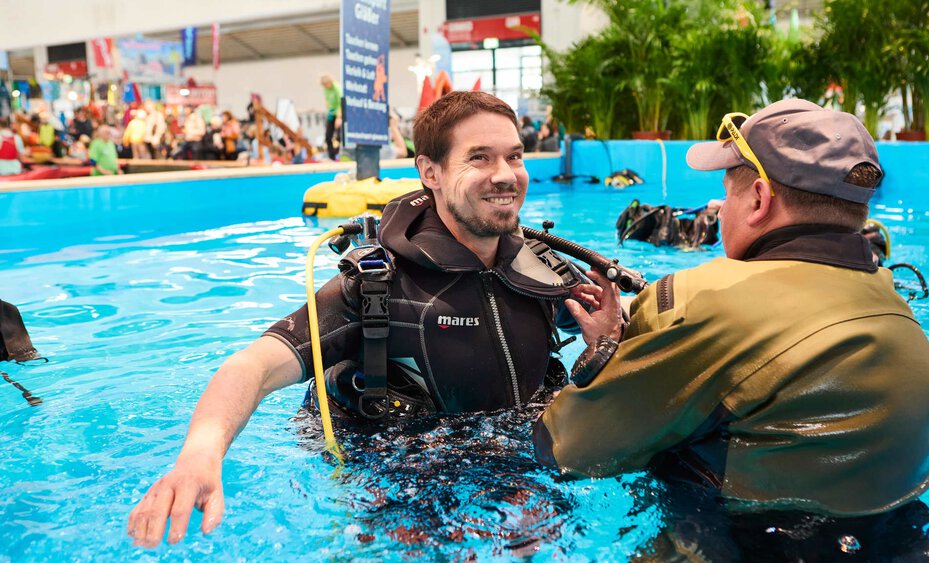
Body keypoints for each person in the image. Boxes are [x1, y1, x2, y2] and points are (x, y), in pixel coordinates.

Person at [127, 91, 586, 548]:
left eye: (515, 156)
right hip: (398, 465)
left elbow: (625, 315)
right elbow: (253, 367)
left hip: (515, 451)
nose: (505, 176)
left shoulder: (541, 266)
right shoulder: (376, 286)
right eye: (480, 158)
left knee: (545, 537)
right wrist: (200, 457)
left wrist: (608, 340)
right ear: (431, 172)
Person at [533, 99, 929, 558]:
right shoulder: (893, 301)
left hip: (740, 542)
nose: (720, 207)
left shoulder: (698, 299)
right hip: (904, 538)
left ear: (758, 200)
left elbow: (568, 451)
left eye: (726, 195)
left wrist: (608, 349)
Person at [320, 73, 342, 160]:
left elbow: (341, 102)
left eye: (326, 84)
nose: (325, 86)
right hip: (332, 112)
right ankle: (331, 157)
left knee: (339, 136)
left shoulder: (337, 88)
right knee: (328, 136)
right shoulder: (325, 89)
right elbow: (327, 100)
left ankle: (340, 154)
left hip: (339, 112)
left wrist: (339, 117)